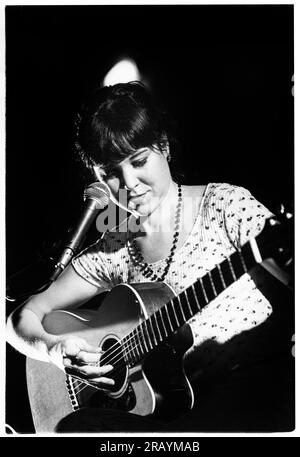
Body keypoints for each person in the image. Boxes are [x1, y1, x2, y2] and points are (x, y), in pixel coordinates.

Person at [6, 81, 294, 433]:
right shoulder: (116, 244)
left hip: (257, 392)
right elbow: (20, 319)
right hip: (180, 415)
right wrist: (54, 350)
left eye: (139, 160)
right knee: (78, 426)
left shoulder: (225, 207)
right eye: (110, 173)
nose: (130, 182)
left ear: (164, 147)